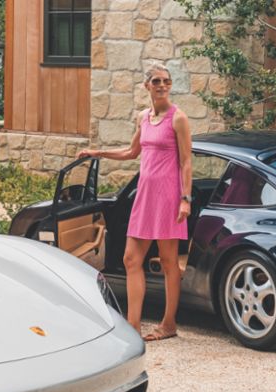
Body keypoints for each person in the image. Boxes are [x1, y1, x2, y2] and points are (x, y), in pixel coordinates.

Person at [78, 63, 192, 341]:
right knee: (131, 259)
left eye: (166, 81)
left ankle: (168, 324)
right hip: (144, 196)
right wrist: (98, 152)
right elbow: (132, 152)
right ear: (147, 86)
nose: (162, 85)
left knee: (168, 262)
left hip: (168, 197)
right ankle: (133, 326)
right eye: (156, 81)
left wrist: (185, 200)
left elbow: (187, 161)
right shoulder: (144, 117)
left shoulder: (178, 118)